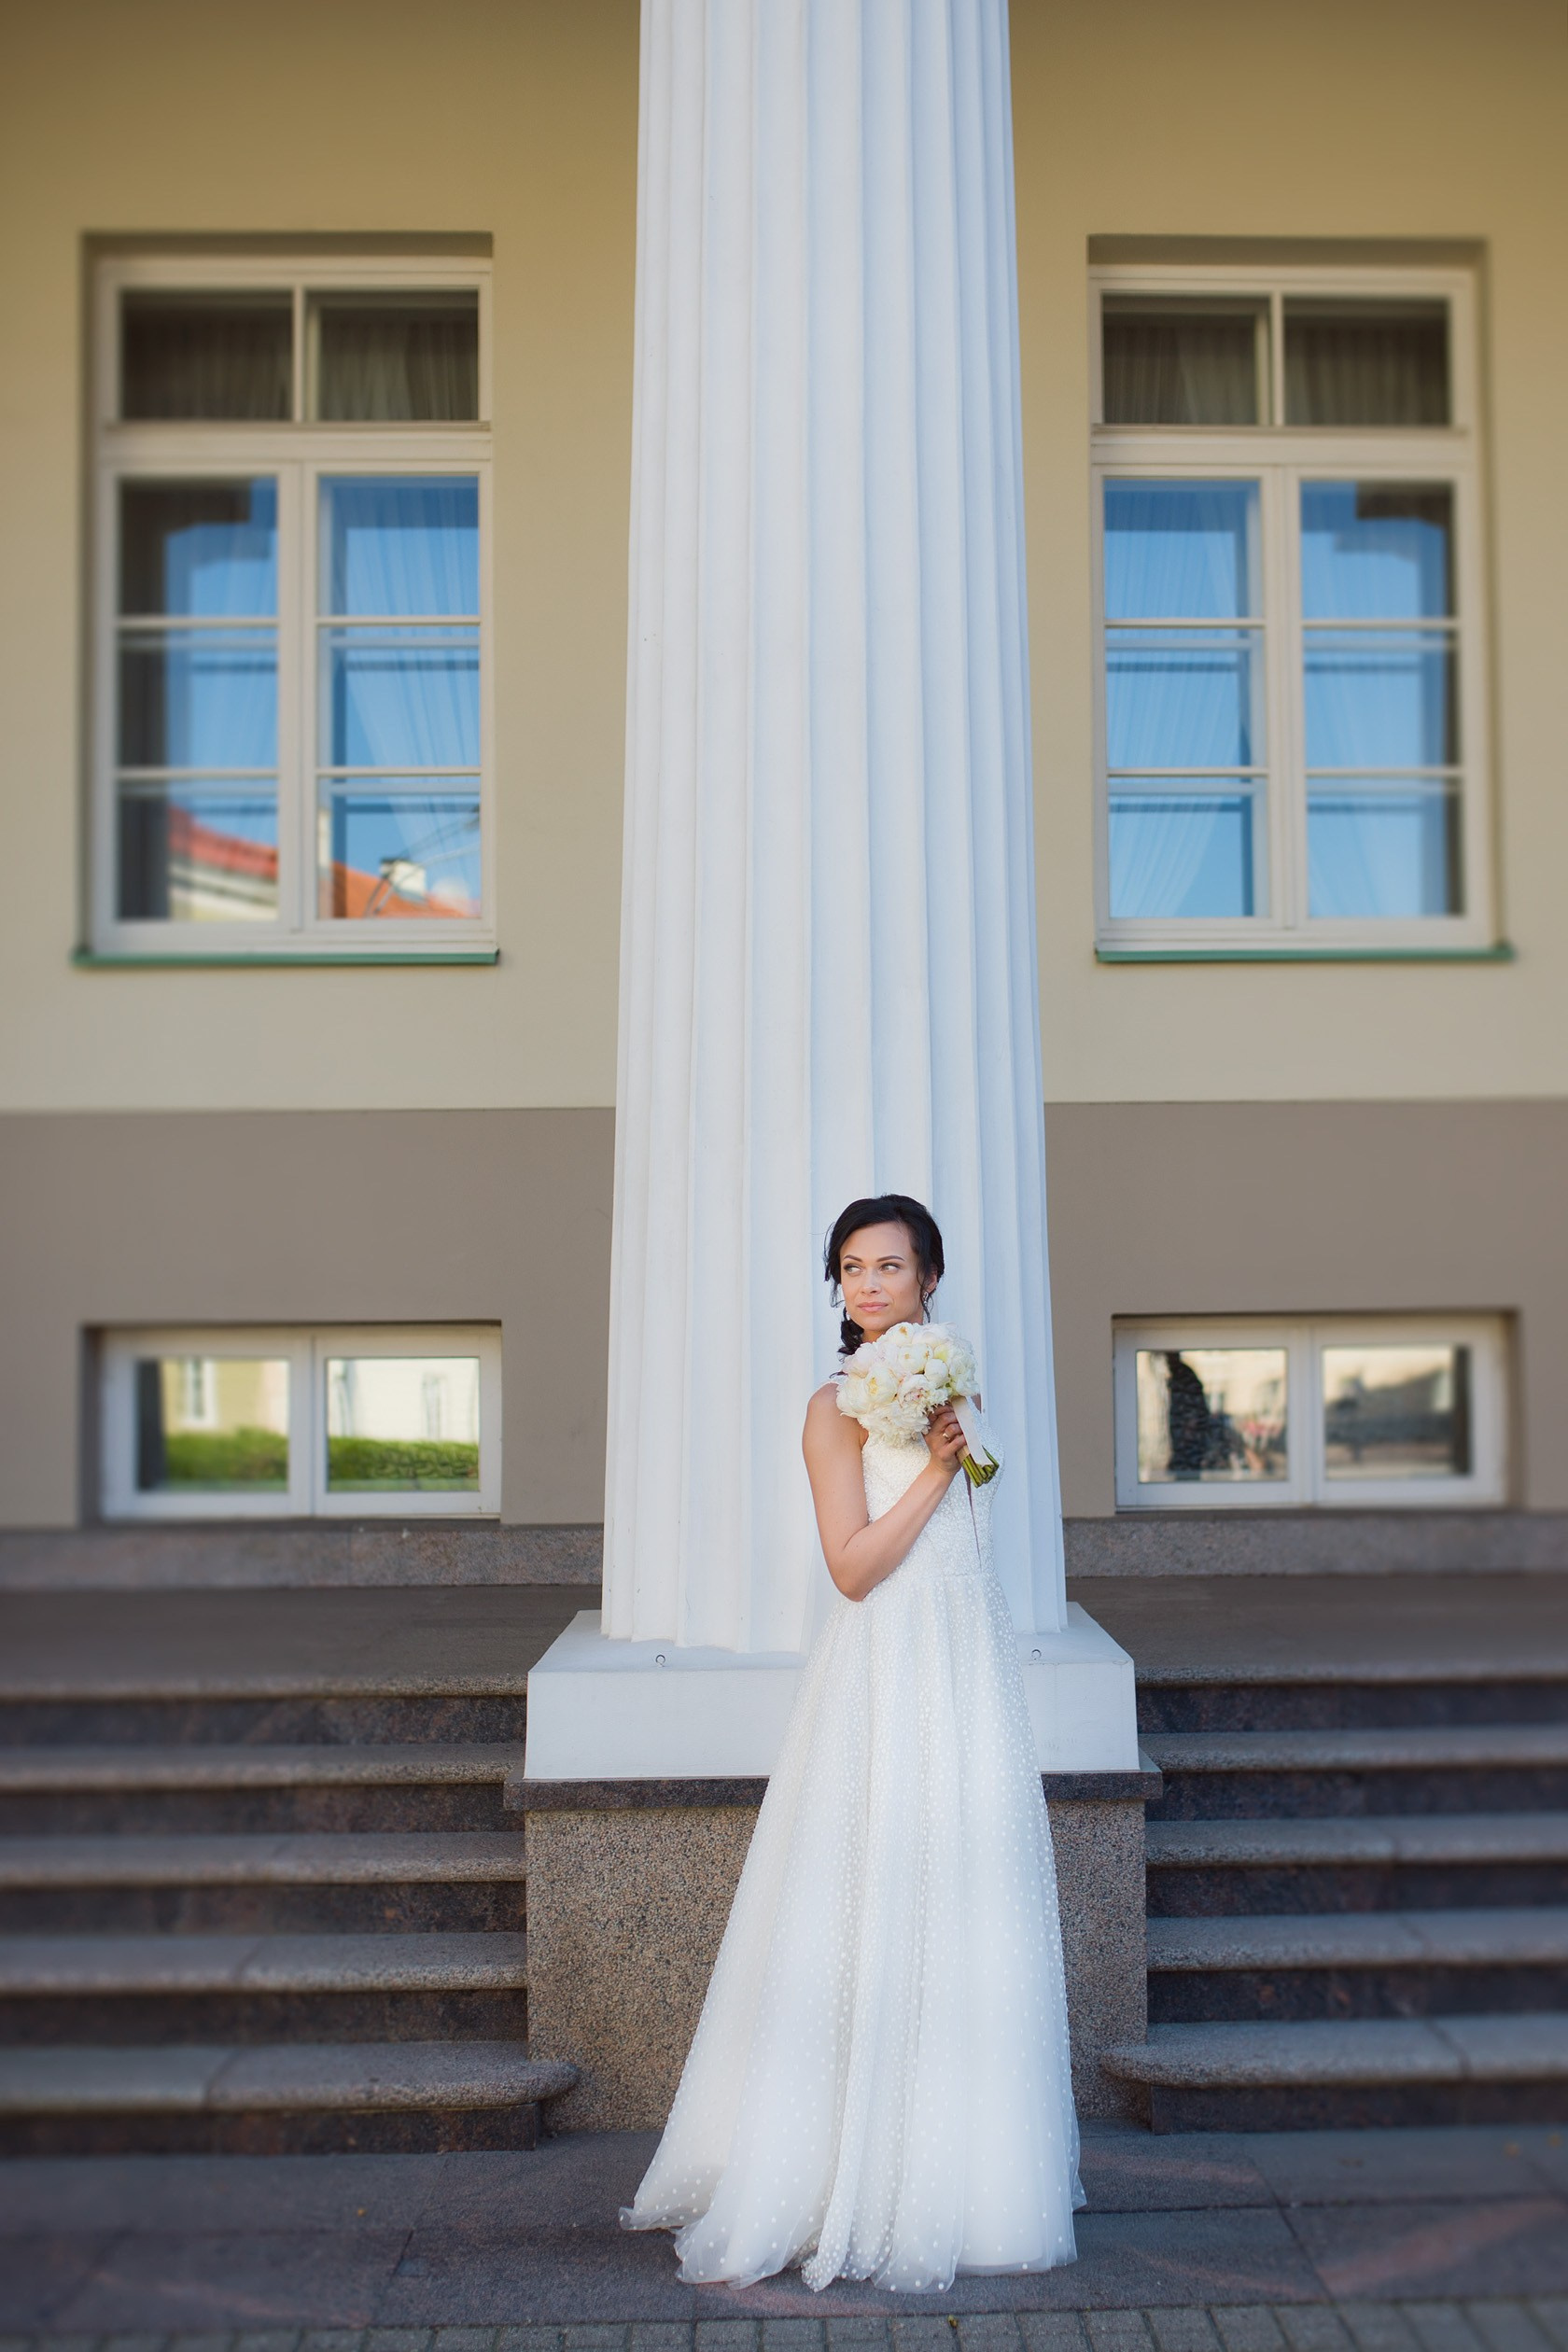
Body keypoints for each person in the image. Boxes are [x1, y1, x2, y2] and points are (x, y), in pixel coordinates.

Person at [620, 1192, 1084, 2292]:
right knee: (869, 1899)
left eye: (889, 1265)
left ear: (929, 1278)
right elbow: (854, 1569)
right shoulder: (836, 1407)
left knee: (965, 1910)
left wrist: (957, 1443)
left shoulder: (953, 1382)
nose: (867, 1284)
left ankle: (965, 2176)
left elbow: (974, 1536)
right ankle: (840, 2171)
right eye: (851, 1267)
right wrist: (933, 1462)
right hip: (885, 1675)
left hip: (964, 1669)